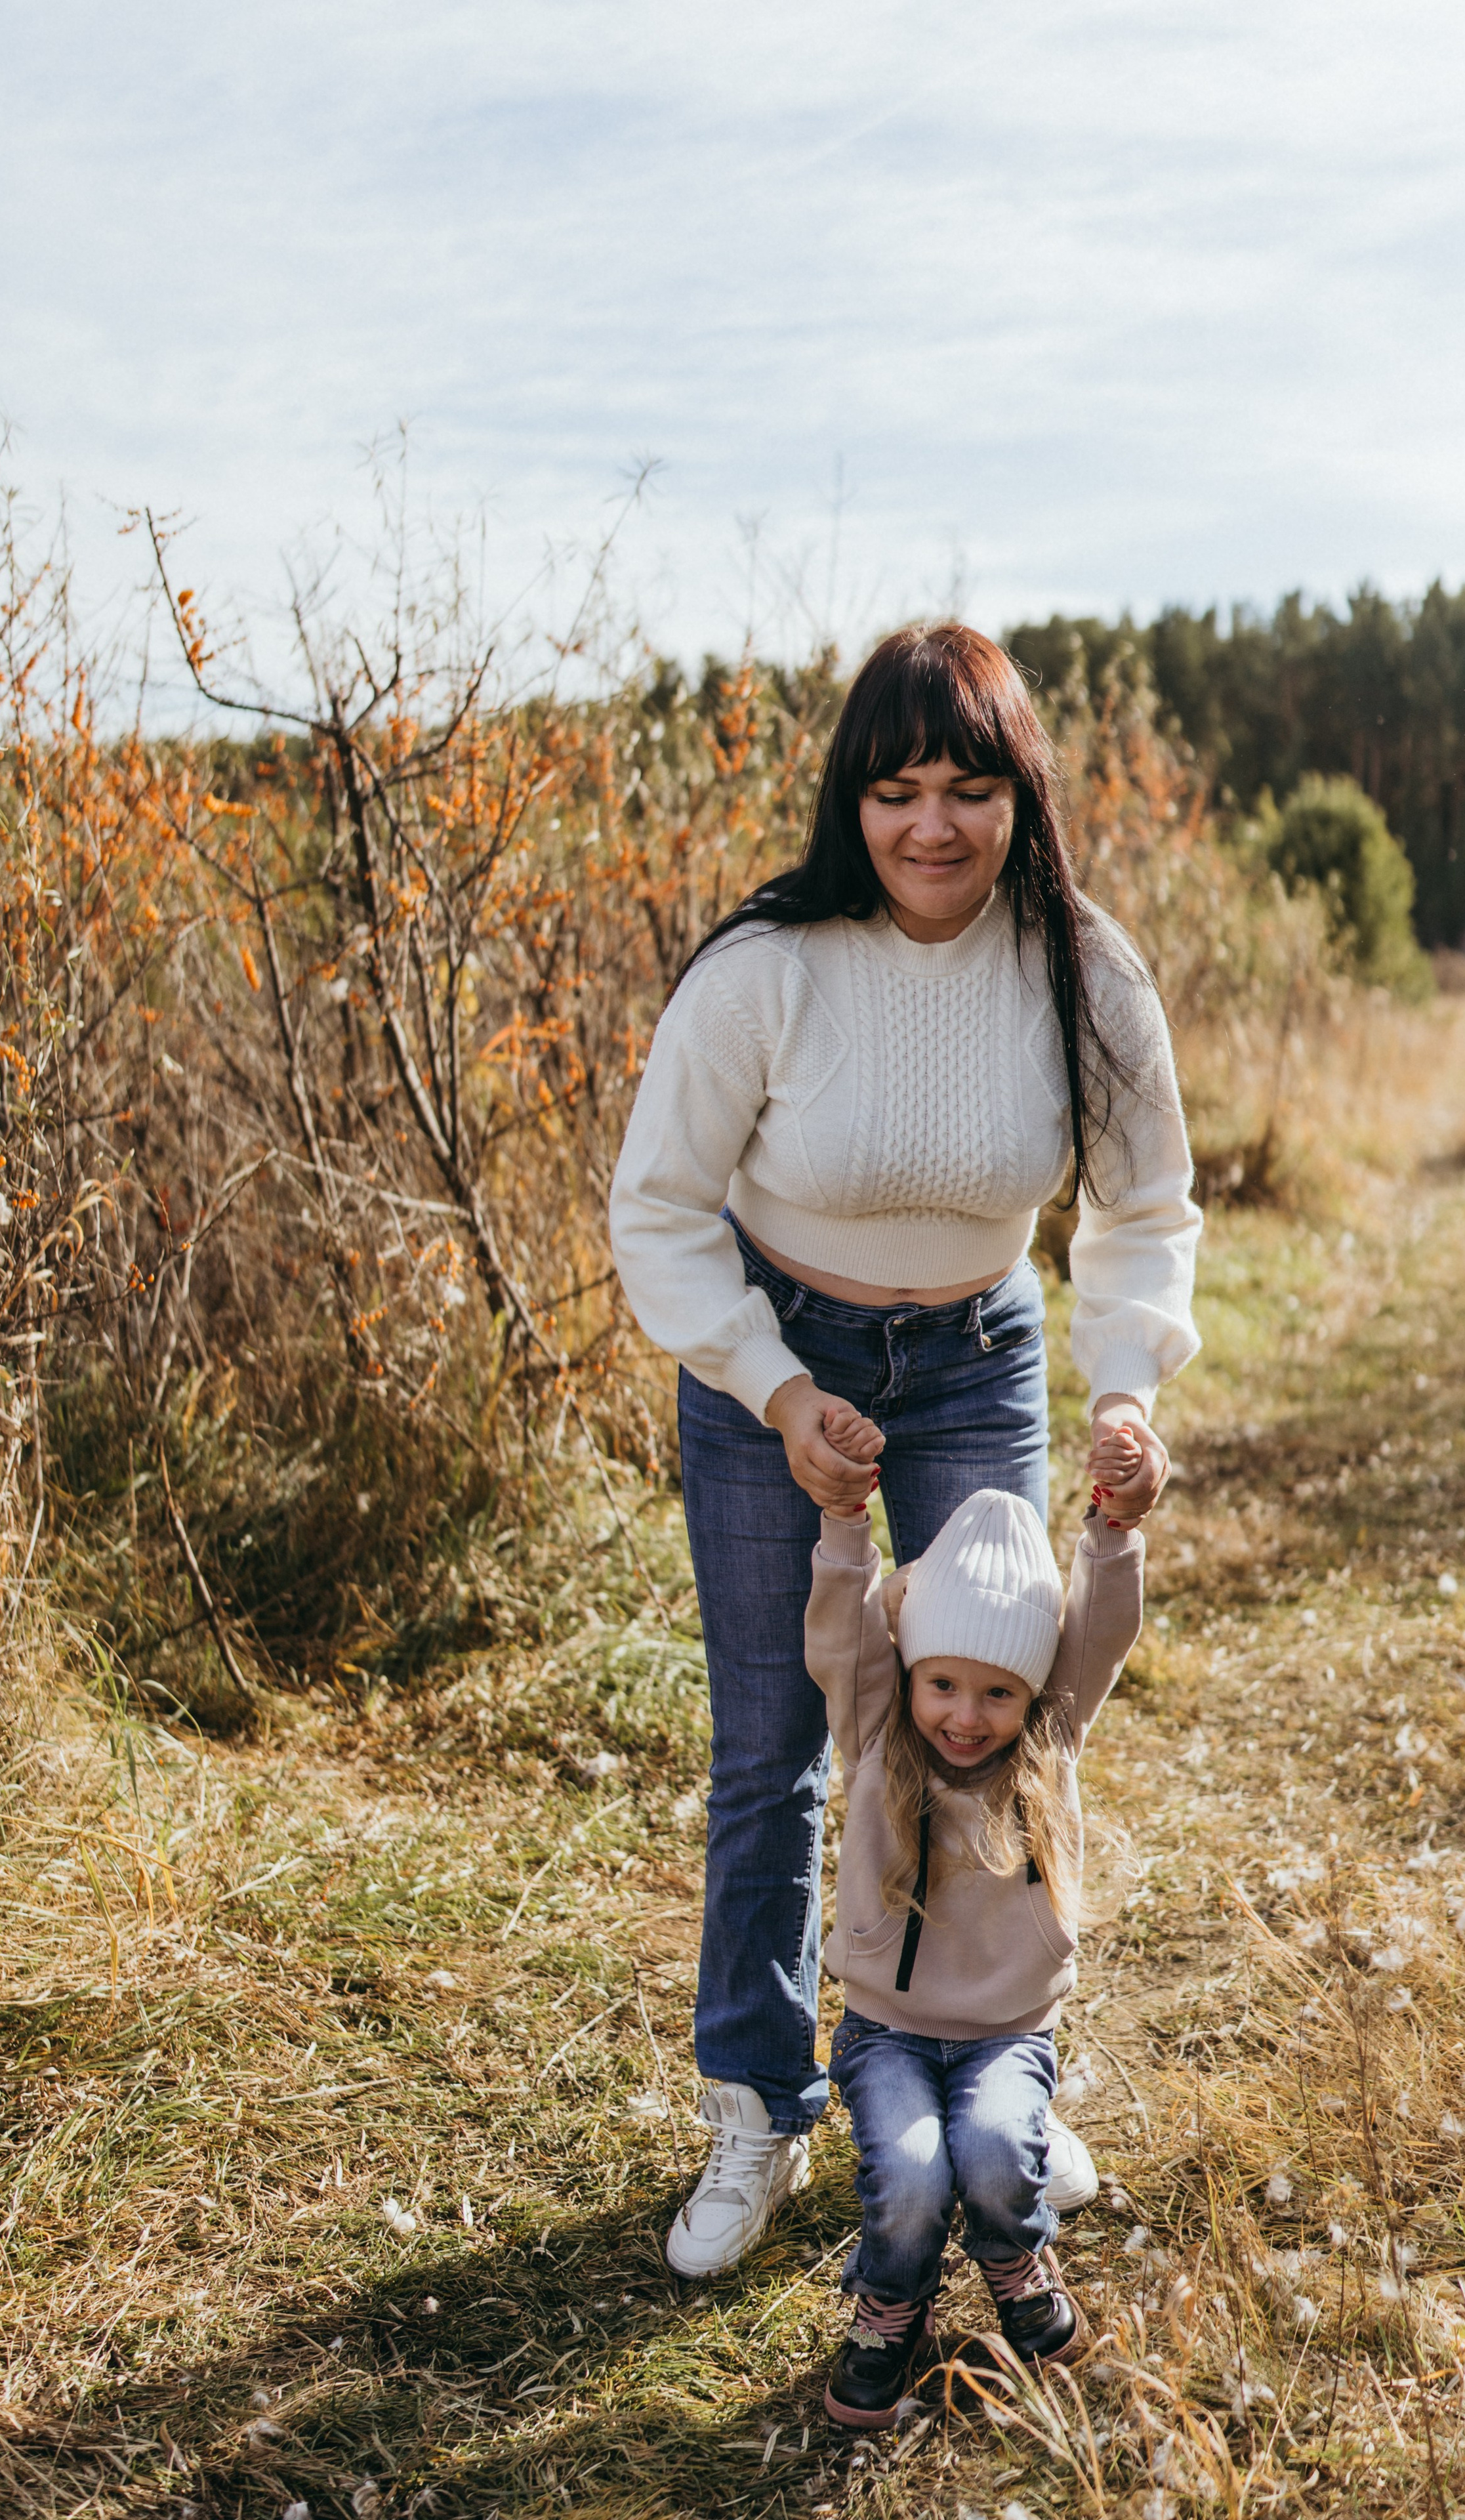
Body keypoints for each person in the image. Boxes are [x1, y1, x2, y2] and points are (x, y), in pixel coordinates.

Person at [609, 621, 1200, 2279]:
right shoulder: (765, 971)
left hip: (976, 1353)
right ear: (847, 804)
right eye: (895, 792)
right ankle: (755, 2098)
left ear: (1021, 796)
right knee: (776, 1738)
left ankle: (997, 2060)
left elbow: (1143, 1210)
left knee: (988, 1722)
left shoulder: (1085, 976)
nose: (931, 827)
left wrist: (1123, 1392)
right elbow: (656, 1208)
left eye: (967, 789)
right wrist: (772, 1391)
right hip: (774, 1367)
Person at [802, 1470, 1144, 2427]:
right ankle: (892, 2308)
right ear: (909, 1671)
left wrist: (1114, 1529)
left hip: (1006, 2035)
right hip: (889, 2034)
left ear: (1032, 1693)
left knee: (996, 2154)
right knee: (911, 2178)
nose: (965, 1715)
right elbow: (842, 1633)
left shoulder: (1051, 1739)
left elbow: (1101, 1631)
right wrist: (844, 1523)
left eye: (997, 1691)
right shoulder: (876, 1731)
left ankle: (1015, 2265)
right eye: (943, 1683)